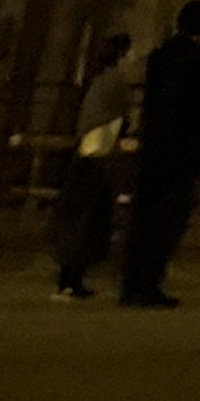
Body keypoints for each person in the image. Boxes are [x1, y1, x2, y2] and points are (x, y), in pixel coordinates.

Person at [113, 6, 200, 309]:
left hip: (154, 147)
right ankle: (148, 283)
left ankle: (131, 284)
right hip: (180, 151)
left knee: (144, 217)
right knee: (167, 220)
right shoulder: (194, 59)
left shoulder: (162, 56)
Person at [52, 35, 134, 300]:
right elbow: (121, 120)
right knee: (88, 220)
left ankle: (69, 277)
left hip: (87, 152)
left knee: (77, 217)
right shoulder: (116, 82)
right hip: (99, 154)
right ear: (123, 53)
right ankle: (73, 278)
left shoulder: (100, 80)